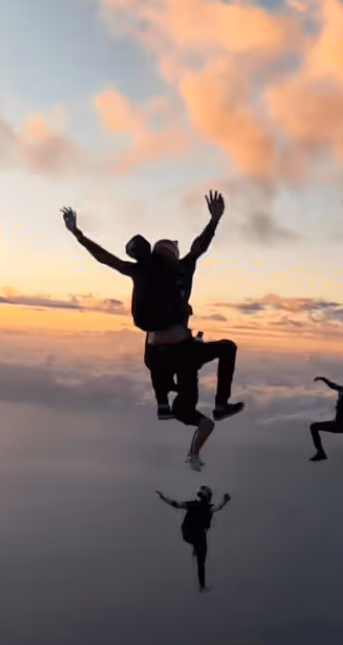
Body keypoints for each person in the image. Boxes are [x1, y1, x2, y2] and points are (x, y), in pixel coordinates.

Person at [62, 192, 244, 470]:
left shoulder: (142, 271)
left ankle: (168, 406)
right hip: (182, 351)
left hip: (158, 354)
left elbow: (105, 258)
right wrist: (214, 220)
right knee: (226, 349)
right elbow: (199, 247)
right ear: (172, 253)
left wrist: (78, 234)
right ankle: (219, 406)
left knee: (181, 393)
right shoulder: (183, 269)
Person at [156, 486, 231, 591]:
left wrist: (163, 497)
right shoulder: (201, 506)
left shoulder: (196, 505)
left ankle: (202, 584)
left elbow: (176, 504)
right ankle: (201, 581)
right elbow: (217, 507)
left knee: (201, 559)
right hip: (192, 533)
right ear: (207, 496)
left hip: (189, 534)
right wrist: (225, 501)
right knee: (201, 557)